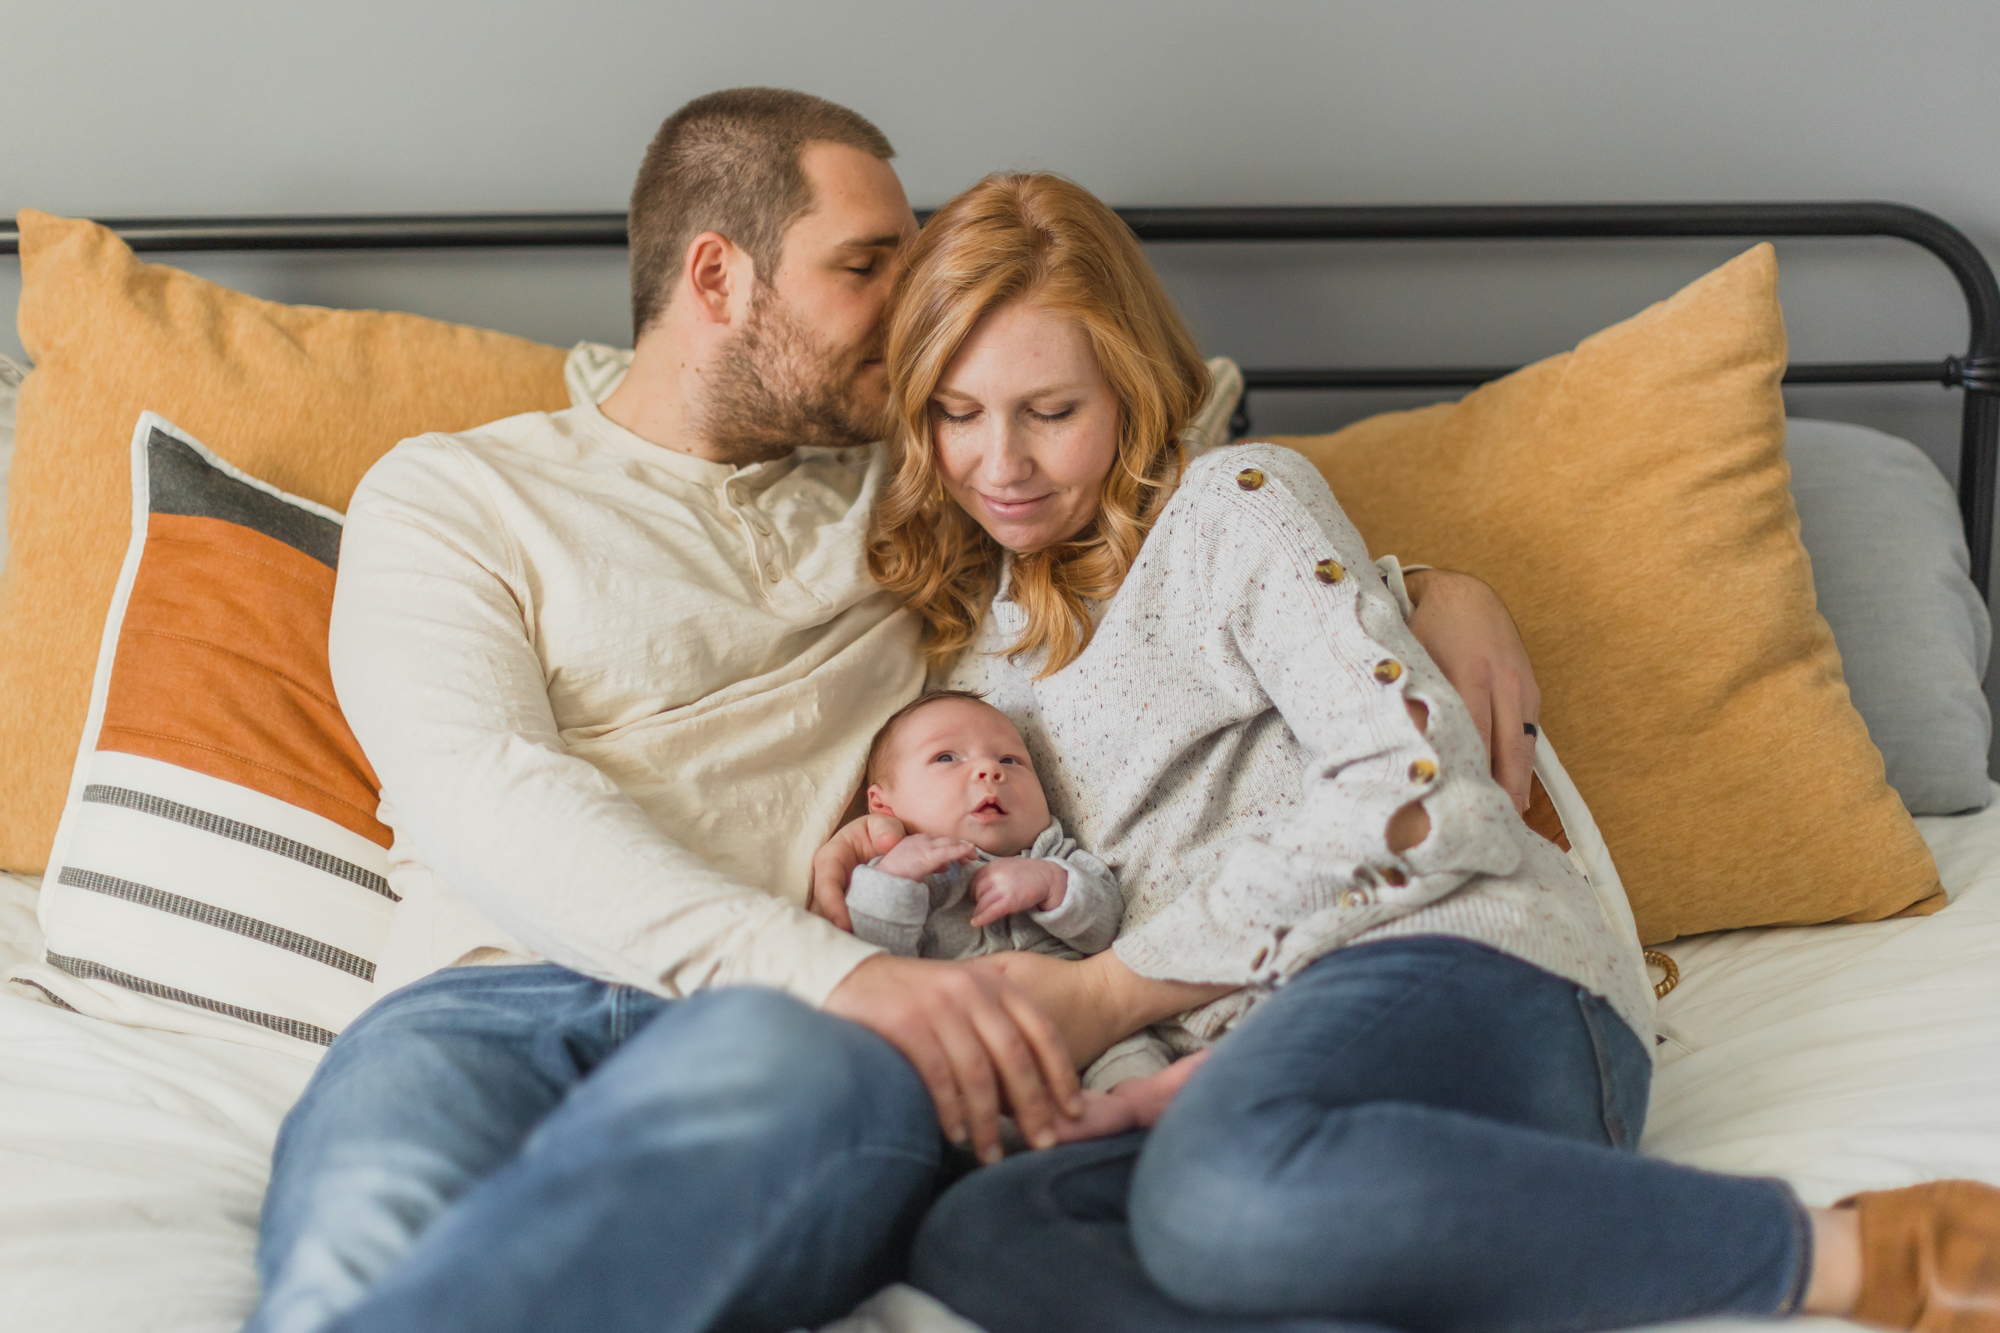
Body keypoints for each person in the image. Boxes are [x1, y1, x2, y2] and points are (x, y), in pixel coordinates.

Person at [241, 89, 1546, 1333]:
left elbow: (1167, 469)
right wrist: (845, 970)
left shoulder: (931, 485)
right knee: (359, 1240)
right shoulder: (454, 494)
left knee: (780, 1086)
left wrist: (1421, 584)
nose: (915, 306)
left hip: (801, 1046)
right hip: (493, 1000)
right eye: (869, 266)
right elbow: (487, 791)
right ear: (718, 280)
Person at [812, 170, 2000, 1333]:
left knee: (1215, 1196)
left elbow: (1427, 798)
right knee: (984, 1234)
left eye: (1050, 411)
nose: (998, 465)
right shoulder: (957, 645)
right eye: (955, 414)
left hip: (1452, 963)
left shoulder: (1235, 504)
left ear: (1130, 389)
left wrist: (1108, 991)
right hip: (1225, 1063)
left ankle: (1864, 1251)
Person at [849, 687, 1189, 1133]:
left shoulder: (1053, 853)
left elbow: (1106, 926)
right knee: (947, 1108)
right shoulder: (892, 875)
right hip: (968, 1054)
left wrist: (1051, 883)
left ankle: (1133, 1105)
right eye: (946, 758)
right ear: (882, 806)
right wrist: (893, 880)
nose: (990, 769)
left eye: (1011, 761)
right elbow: (874, 967)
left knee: (1133, 1056)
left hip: (1092, 1038)